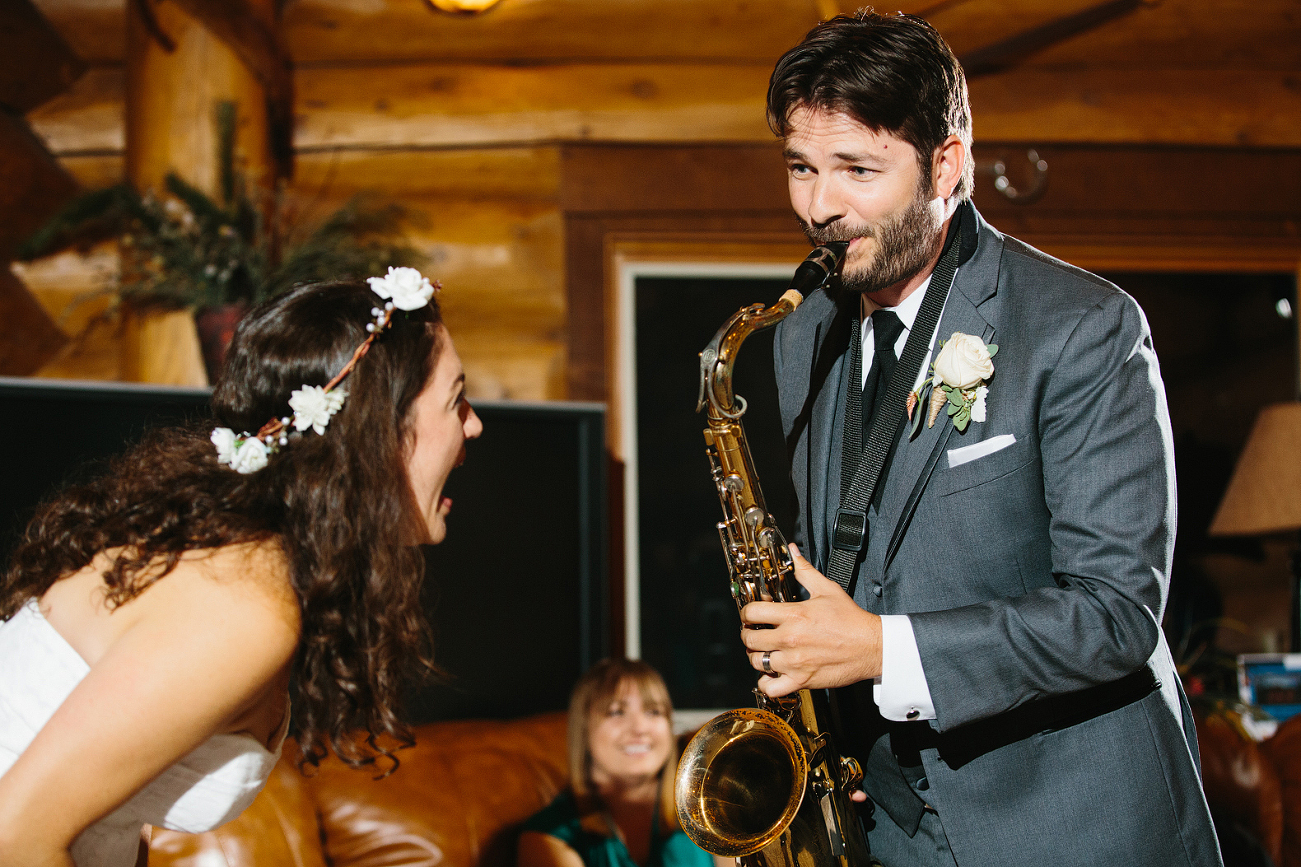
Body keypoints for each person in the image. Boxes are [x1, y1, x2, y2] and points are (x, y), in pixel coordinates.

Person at [738, 10, 1223, 867]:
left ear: (948, 164)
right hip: (891, 831)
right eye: (801, 168)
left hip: (1077, 828)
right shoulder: (797, 336)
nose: (818, 206)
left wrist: (879, 650)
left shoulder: (1084, 326)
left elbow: (1115, 613)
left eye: (856, 169)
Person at [0, 266, 482, 867]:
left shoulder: (243, 560)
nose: (474, 425)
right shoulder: (242, 603)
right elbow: (13, 836)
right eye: (456, 400)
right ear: (378, 432)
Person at [518, 659, 725, 867]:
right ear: (583, 730)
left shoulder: (712, 810)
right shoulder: (545, 837)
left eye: (654, 711)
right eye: (616, 712)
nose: (640, 728)